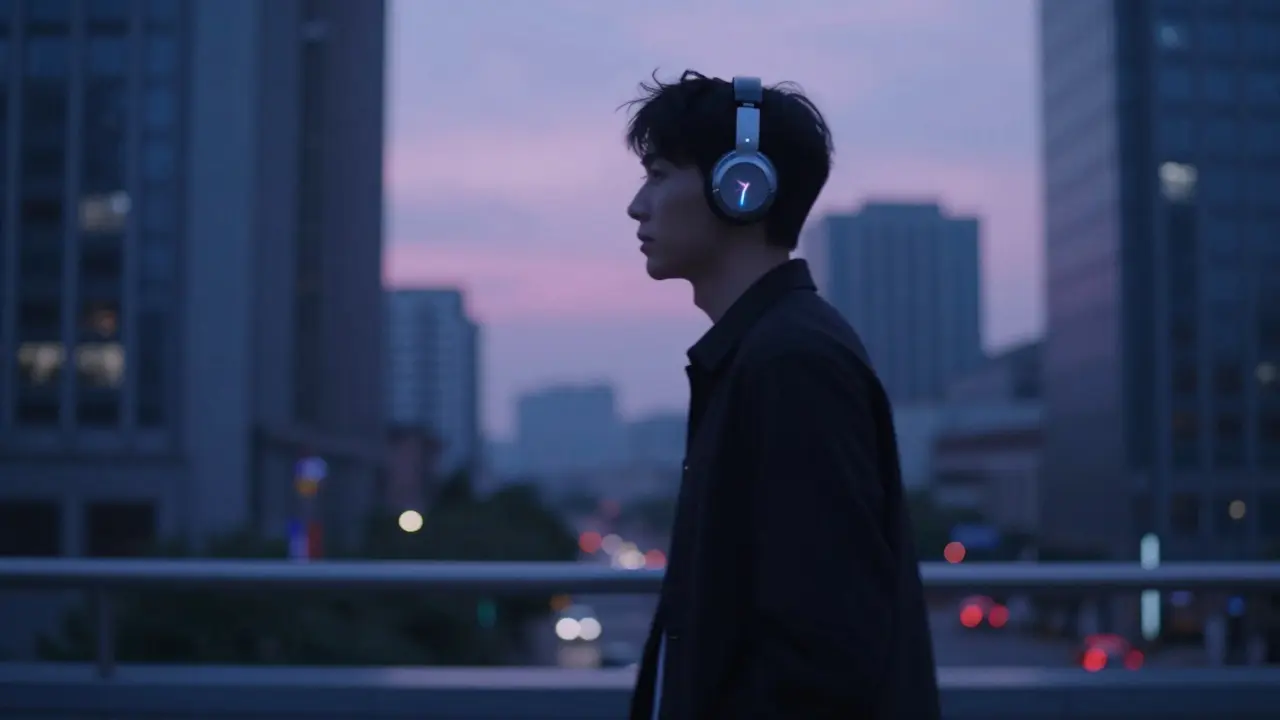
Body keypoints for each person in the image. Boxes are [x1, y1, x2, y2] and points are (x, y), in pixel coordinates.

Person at [622, 70, 940, 719]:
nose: (637, 205)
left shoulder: (792, 364)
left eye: (657, 174)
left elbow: (820, 651)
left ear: (741, 187)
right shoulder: (762, 354)